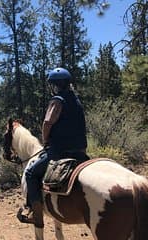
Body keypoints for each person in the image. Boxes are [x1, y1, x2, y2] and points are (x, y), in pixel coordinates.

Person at [19, 67, 88, 227]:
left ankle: (36, 215)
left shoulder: (57, 100)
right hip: (80, 150)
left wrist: (46, 141)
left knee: (30, 173)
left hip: (60, 150)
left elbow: (47, 122)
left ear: (54, 85)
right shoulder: (76, 100)